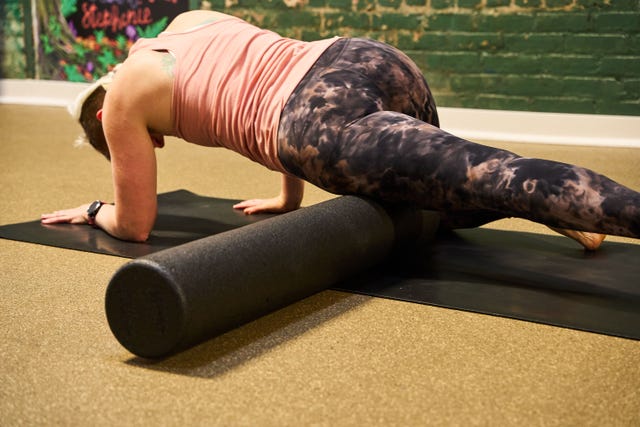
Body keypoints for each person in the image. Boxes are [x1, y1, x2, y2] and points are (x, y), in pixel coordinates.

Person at [42, 9, 639, 251]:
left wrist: (98, 210)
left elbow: (136, 223)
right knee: (453, 194)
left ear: (103, 116)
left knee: (490, 178)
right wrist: (288, 195)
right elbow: (256, 74)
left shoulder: (119, 105)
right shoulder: (184, 22)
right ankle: (565, 215)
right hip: (364, 58)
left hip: (320, 121)